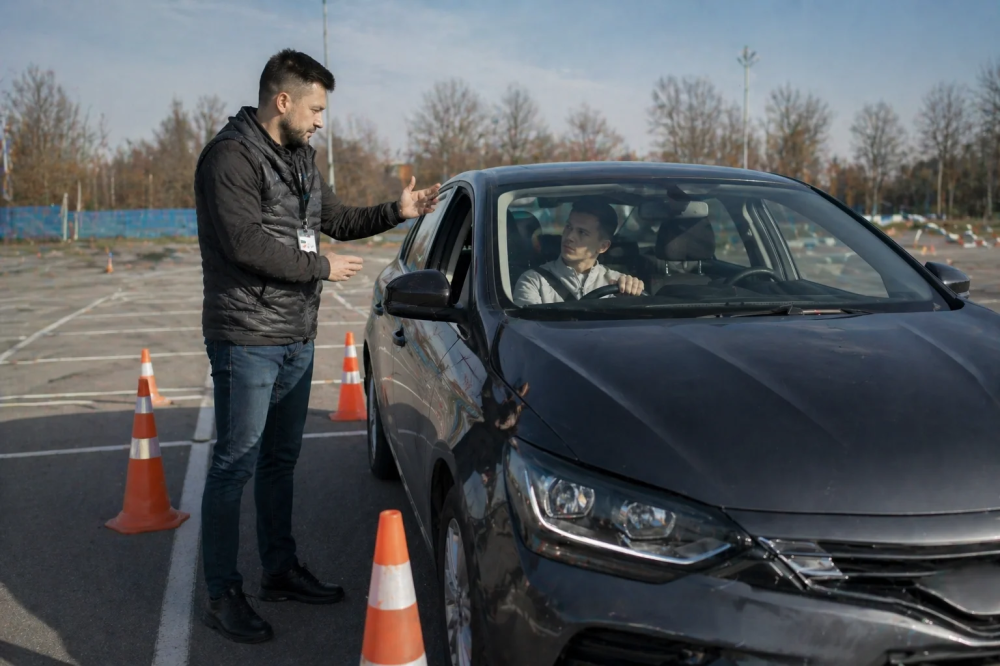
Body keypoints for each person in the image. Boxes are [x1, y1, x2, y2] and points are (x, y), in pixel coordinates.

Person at [194, 48, 440, 644]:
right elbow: (245, 243)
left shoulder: (301, 159)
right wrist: (321, 267)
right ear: (283, 100)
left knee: (279, 463)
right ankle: (223, 593)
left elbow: (337, 218)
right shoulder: (229, 158)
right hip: (247, 335)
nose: (321, 121)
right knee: (235, 464)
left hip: (295, 335)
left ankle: (279, 569)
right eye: (316, 108)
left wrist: (396, 211)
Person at [512, 200, 644, 305]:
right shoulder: (534, 281)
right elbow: (527, 330)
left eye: (582, 232)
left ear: (603, 246)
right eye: (568, 227)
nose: (569, 237)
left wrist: (632, 295)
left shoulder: (618, 283)